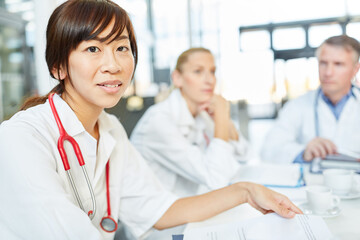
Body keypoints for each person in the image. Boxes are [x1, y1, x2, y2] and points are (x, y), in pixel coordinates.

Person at [0, 1, 301, 240]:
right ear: (58, 67)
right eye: (93, 49)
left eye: (121, 48)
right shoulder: (22, 138)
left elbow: (160, 209)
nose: (113, 65)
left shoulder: (110, 129)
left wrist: (246, 191)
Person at [131, 47, 251, 198]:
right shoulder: (159, 120)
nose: (210, 80)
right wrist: (221, 116)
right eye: (198, 71)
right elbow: (216, 178)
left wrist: (224, 119)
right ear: (177, 78)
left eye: (212, 72)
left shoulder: (202, 113)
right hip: (156, 216)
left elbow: (242, 156)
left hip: (187, 205)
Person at [261, 35, 360, 164]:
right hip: (313, 183)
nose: (328, 72)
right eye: (323, 63)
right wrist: (303, 152)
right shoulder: (298, 105)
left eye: (338, 64)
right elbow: (268, 150)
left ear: (355, 69)